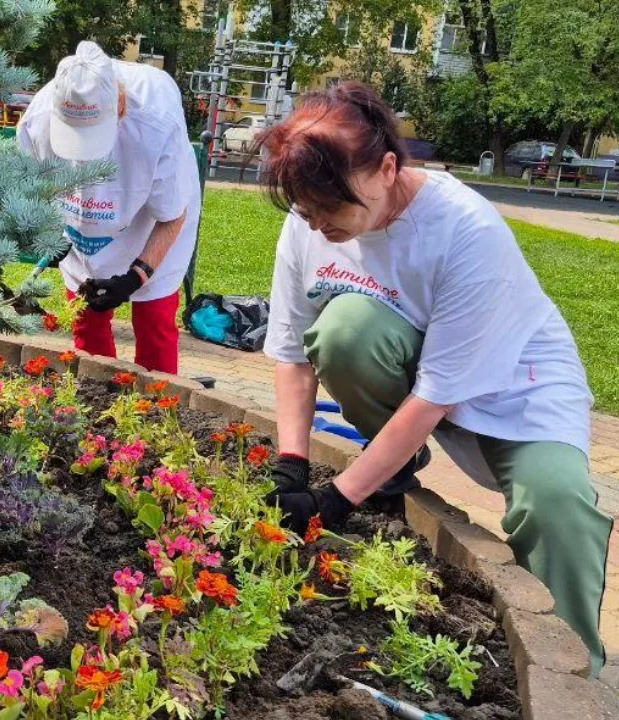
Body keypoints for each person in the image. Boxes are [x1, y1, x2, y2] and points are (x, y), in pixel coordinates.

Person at [258, 81, 612, 675]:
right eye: (305, 211)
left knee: (555, 504)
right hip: (414, 361)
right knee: (345, 332)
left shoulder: (464, 230)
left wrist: (339, 498)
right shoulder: (310, 224)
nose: (317, 228)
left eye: (330, 209)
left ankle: (576, 675)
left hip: (517, 379)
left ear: (387, 168)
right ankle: (394, 466)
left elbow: (435, 397)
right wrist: (292, 462)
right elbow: (294, 354)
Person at [17, 41, 201, 374]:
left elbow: (172, 216)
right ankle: (94, 402)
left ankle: (155, 410)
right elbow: (34, 190)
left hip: (152, 222)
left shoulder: (156, 124)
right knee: (87, 319)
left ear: (119, 106)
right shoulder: (38, 120)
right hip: (80, 224)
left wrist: (136, 275)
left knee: (154, 320)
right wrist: (49, 236)